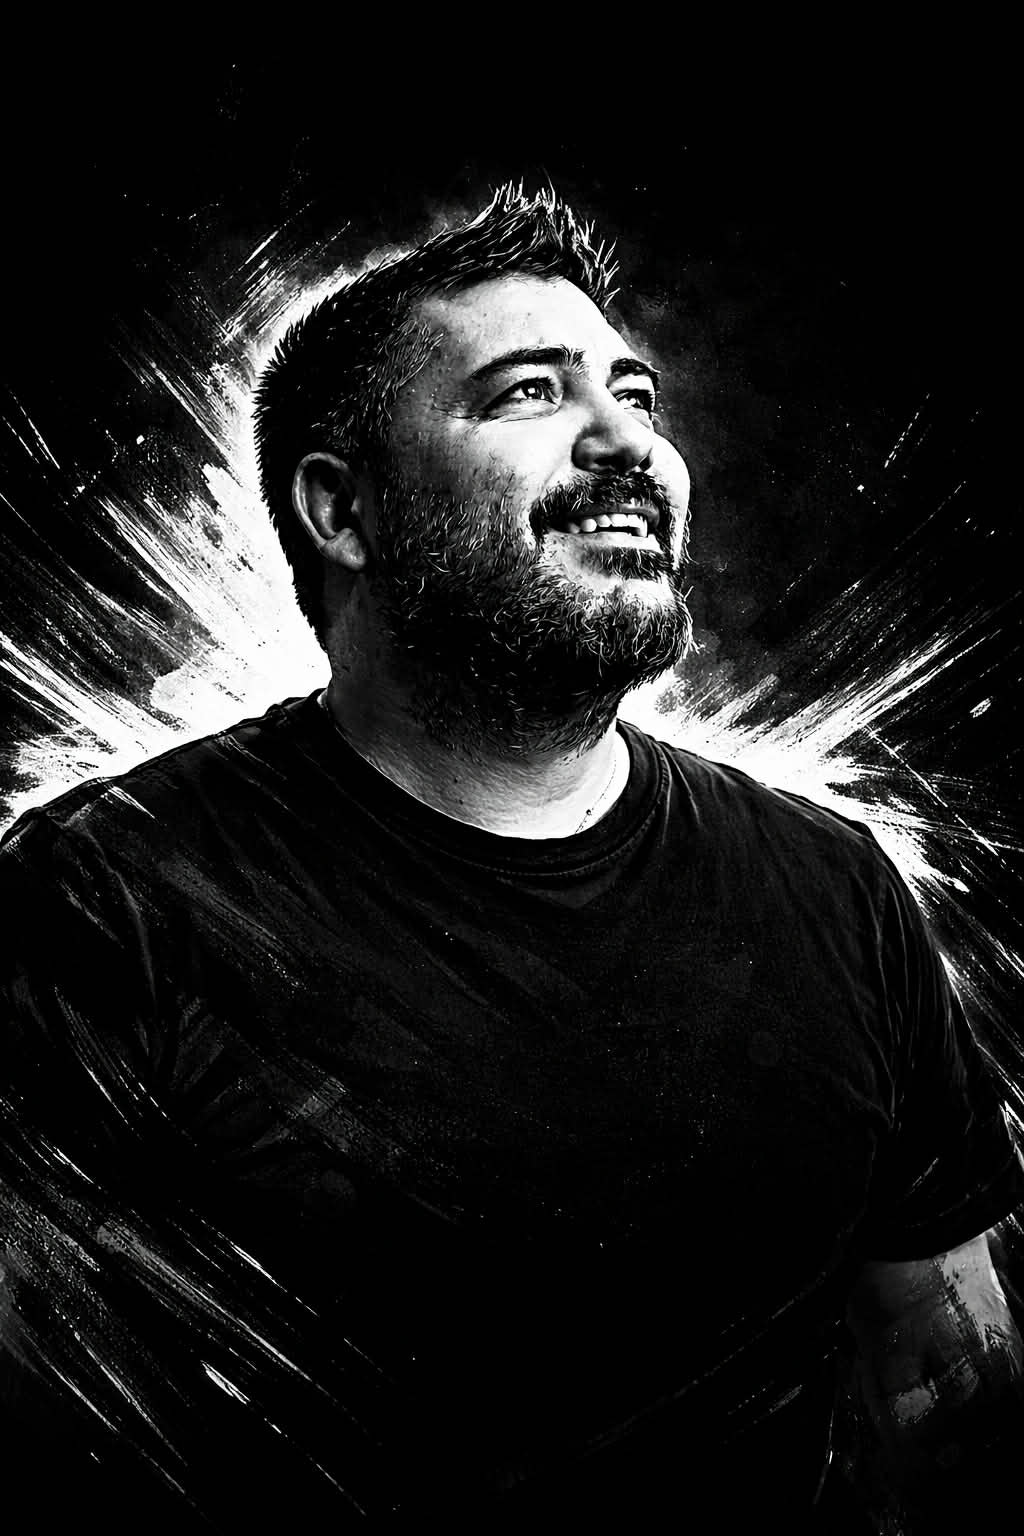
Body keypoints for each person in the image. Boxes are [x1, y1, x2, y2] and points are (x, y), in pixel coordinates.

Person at [1, 184, 1022, 1532]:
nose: (628, 442)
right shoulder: (104, 901)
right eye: (529, 394)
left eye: (637, 396)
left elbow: (944, 1381)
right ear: (343, 510)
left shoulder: (837, 886)